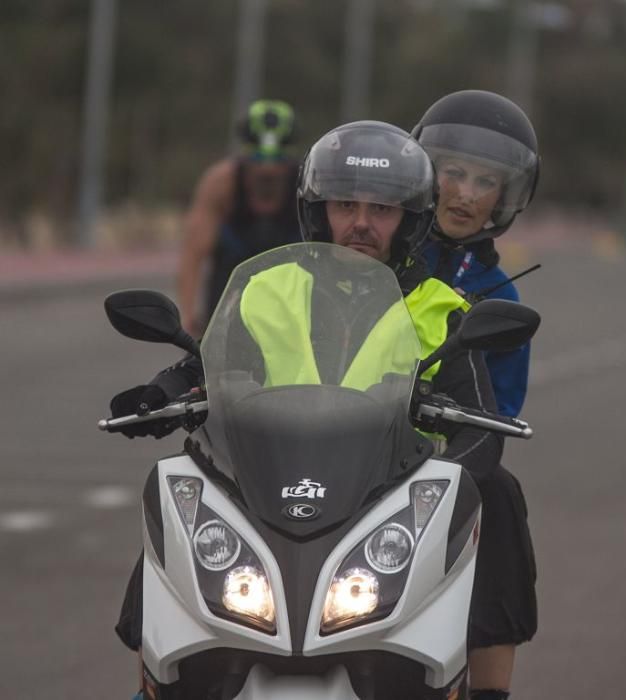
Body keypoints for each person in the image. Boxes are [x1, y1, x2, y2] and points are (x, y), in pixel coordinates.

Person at [111, 121, 515, 699]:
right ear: (316, 210)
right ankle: (152, 683)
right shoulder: (266, 287)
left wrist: (443, 482)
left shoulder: (444, 309)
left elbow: (481, 429)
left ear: (412, 220)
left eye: (382, 209)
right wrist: (165, 389)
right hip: (264, 483)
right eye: (345, 204)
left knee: (493, 496)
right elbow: (214, 365)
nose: (360, 222)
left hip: (383, 498)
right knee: (179, 491)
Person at [412, 90, 540, 697]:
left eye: (484, 180)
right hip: (339, 444)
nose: (464, 192)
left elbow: (499, 414)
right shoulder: (375, 255)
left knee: (501, 494)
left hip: (435, 460)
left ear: (505, 197)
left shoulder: (499, 295)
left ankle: (490, 688)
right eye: (453, 172)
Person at [178, 98, 301, 336]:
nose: (267, 170)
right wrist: (187, 315)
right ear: (245, 155)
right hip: (227, 306)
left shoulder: (307, 185)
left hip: (290, 312)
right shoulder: (221, 183)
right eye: (258, 160)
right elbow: (192, 254)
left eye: (277, 162)